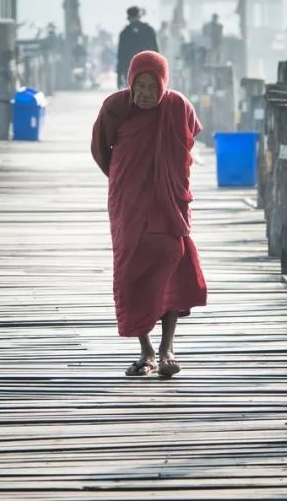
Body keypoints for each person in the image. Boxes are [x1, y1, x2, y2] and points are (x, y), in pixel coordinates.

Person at [90, 50, 208, 377]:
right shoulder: (116, 107)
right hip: (128, 202)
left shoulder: (178, 106)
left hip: (169, 202)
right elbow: (101, 150)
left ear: (163, 84)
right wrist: (125, 177)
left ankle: (167, 349)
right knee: (132, 272)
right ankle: (146, 353)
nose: (145, 93)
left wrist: (166, 177)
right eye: (138, 85)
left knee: (172, 265)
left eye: (152, 86)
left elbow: (186, 145)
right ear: (130, 83)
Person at [116, 6, 159, 89]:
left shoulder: (125, 32)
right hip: (145, 66)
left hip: (132, 67)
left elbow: (121, 55)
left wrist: (119, 73)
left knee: (133, 91)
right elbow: (155, 51)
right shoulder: (148, 30)